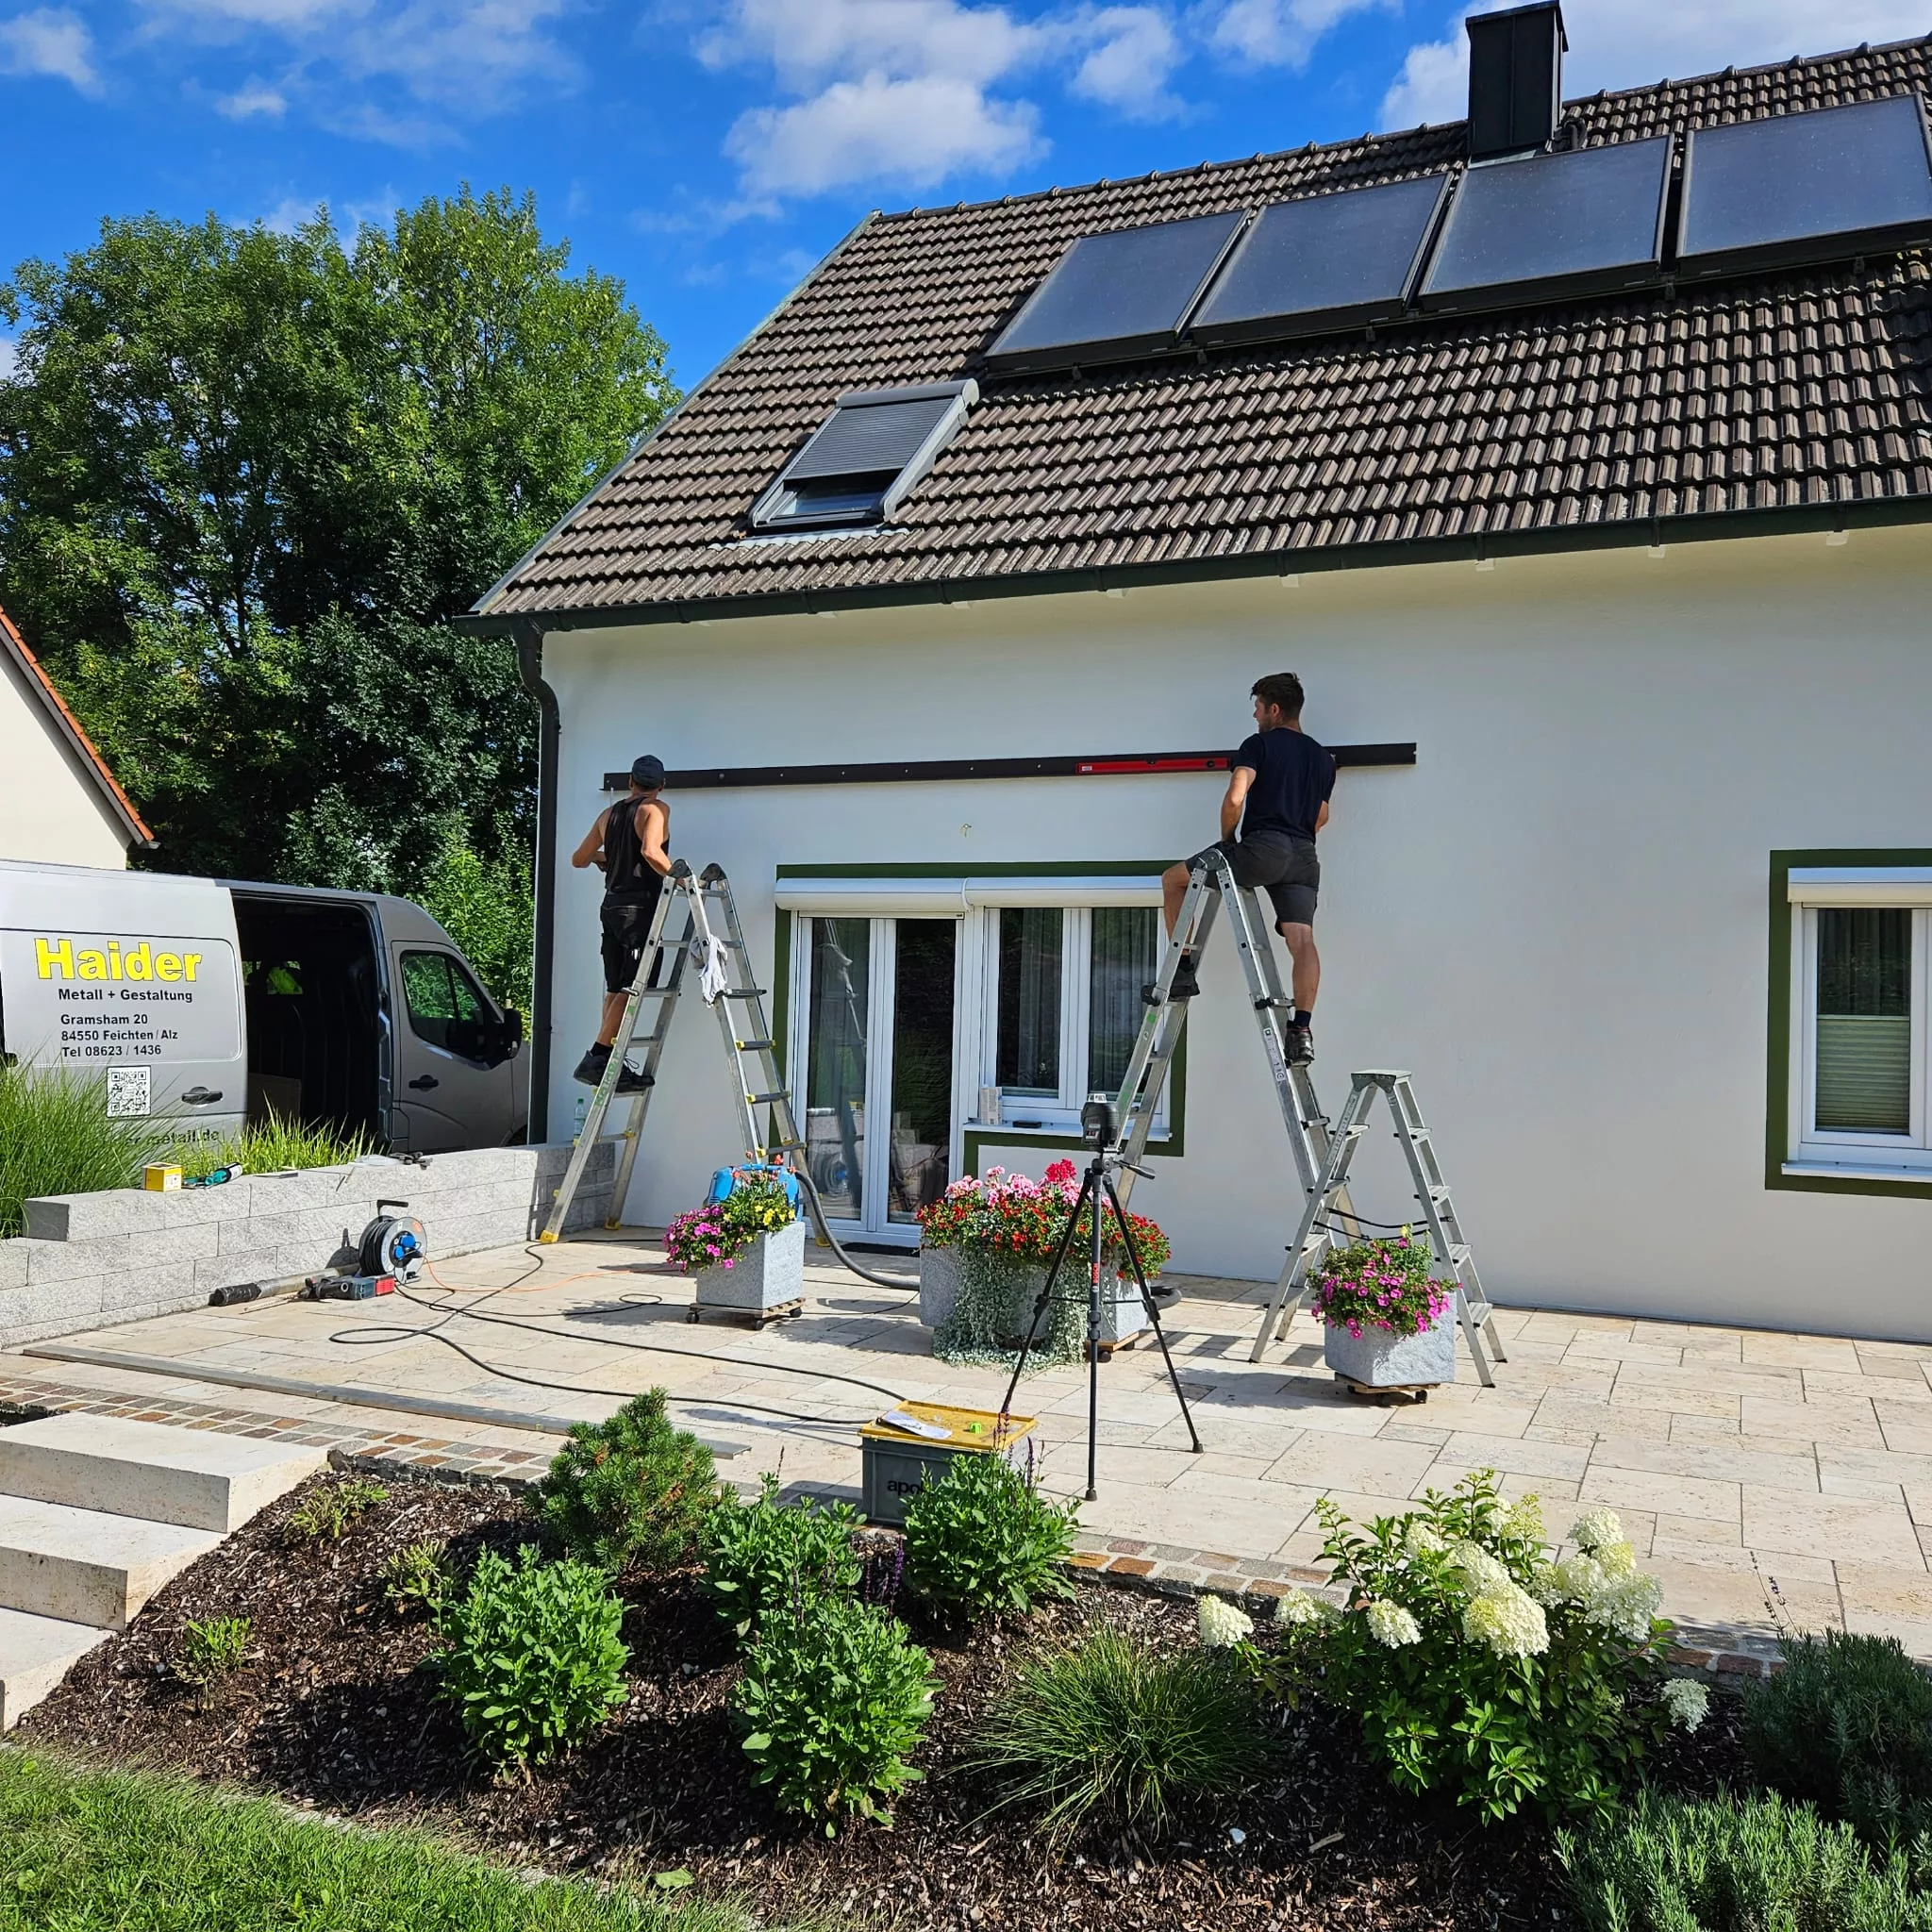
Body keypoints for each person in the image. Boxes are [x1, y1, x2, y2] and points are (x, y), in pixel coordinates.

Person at [1158, 672, 1335, 1065]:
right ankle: (1302, 1029)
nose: (1255, 716)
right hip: (1304, 857)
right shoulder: (1322, 759)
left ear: (1274, 709)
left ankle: (1182, 972)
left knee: (1173, 880)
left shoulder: (1258, 745)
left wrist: (1227, 840)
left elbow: (1235, 797)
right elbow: (1321, 816)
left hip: (1263, 847)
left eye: (1257, 708)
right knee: (1302, 941)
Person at [570, 754, 673, 1091]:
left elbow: (580, 859)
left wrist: (609, 857)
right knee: (634, 987)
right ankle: (597, 1056)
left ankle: (609, 1066)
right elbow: (651, 852)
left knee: (616, 986)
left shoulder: (608, 814)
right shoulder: (655, 810)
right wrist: (686, 881)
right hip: (638, 910)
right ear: (660, 785)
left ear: (630, 782)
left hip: (611, 906)